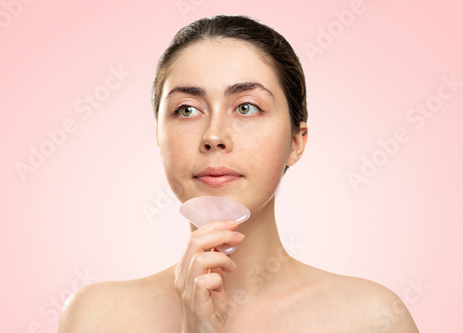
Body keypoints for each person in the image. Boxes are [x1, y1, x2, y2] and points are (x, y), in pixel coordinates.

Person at [58, 15, 419, 332]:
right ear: (158, 138)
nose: (214, 136)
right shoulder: (97, 318)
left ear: (297, 140)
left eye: (246, 107)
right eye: (187, 110)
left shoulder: (370, 319)